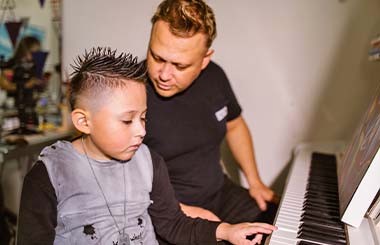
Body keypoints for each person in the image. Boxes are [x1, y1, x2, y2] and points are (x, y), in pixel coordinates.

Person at [17, 47, 276, 244]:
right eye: (127, 120)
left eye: (143, 117)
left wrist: (227, 231)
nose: (141, 130)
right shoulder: (47, 176)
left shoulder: (150, 162)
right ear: (84, 121)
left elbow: (173, 224)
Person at [143, 0, 278, 241]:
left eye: (179, 65)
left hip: (220, 193)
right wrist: (194, 217)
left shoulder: (215, 76)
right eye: (157, 57)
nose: (164, 74)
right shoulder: (129, 93)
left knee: (276, 223)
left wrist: (255, 181)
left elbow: (235, 126)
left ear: (205, 59)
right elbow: (120, 185)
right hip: (169, 213)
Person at [0, 36, 48, 131]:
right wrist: (25, 85)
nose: (34, 56)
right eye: (32, 52)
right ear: (24, 50)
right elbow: (4, 85)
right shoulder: (12, 64)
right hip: (13, 111)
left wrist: (42, 83)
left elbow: (39, 89)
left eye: (37, 52)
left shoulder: (34, 67)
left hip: (32, 110)